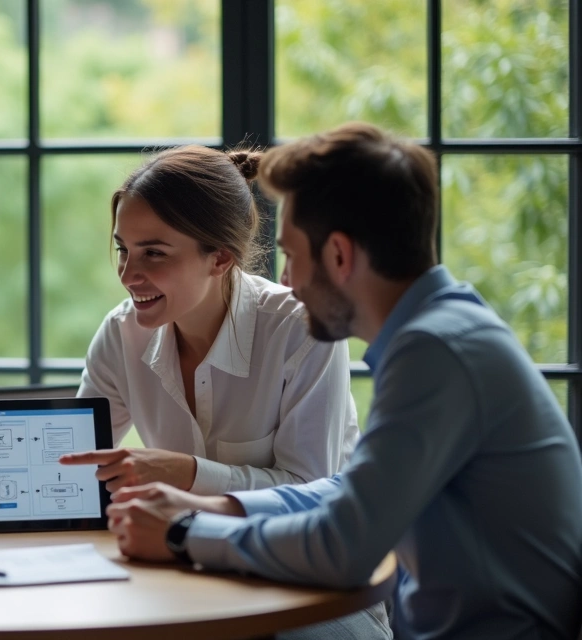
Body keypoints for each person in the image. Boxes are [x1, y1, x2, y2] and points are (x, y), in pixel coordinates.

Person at [108, 123, 582, 639]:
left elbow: (344, 547)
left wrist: (184, 532)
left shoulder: (436, 352)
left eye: (291, 255)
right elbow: (350, 490)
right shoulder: (442, 333)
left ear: (339, 255)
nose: (285, 281)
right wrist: (214, 505)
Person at [60, 146, 359, 497]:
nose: (127, 276)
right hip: (172, 531)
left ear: (220, 258)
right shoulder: (120, 334)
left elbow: (312, 491)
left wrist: (186, 473)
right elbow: (75, 469)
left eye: (154, 253)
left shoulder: (303, 330)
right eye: (123, 250)